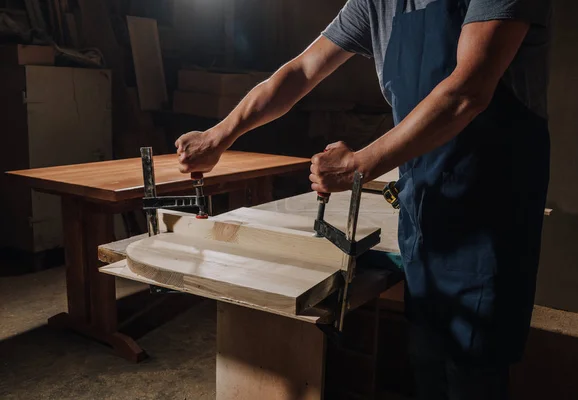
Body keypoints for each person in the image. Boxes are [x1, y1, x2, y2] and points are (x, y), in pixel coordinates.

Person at [175, 0, 551, 398]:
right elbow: (302, 70)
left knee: (474, 369)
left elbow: (467, 92)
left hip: (491, 205)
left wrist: (359, 166)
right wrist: (220, 136)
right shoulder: (375, 2)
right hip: (424, 200)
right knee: (428, 359)